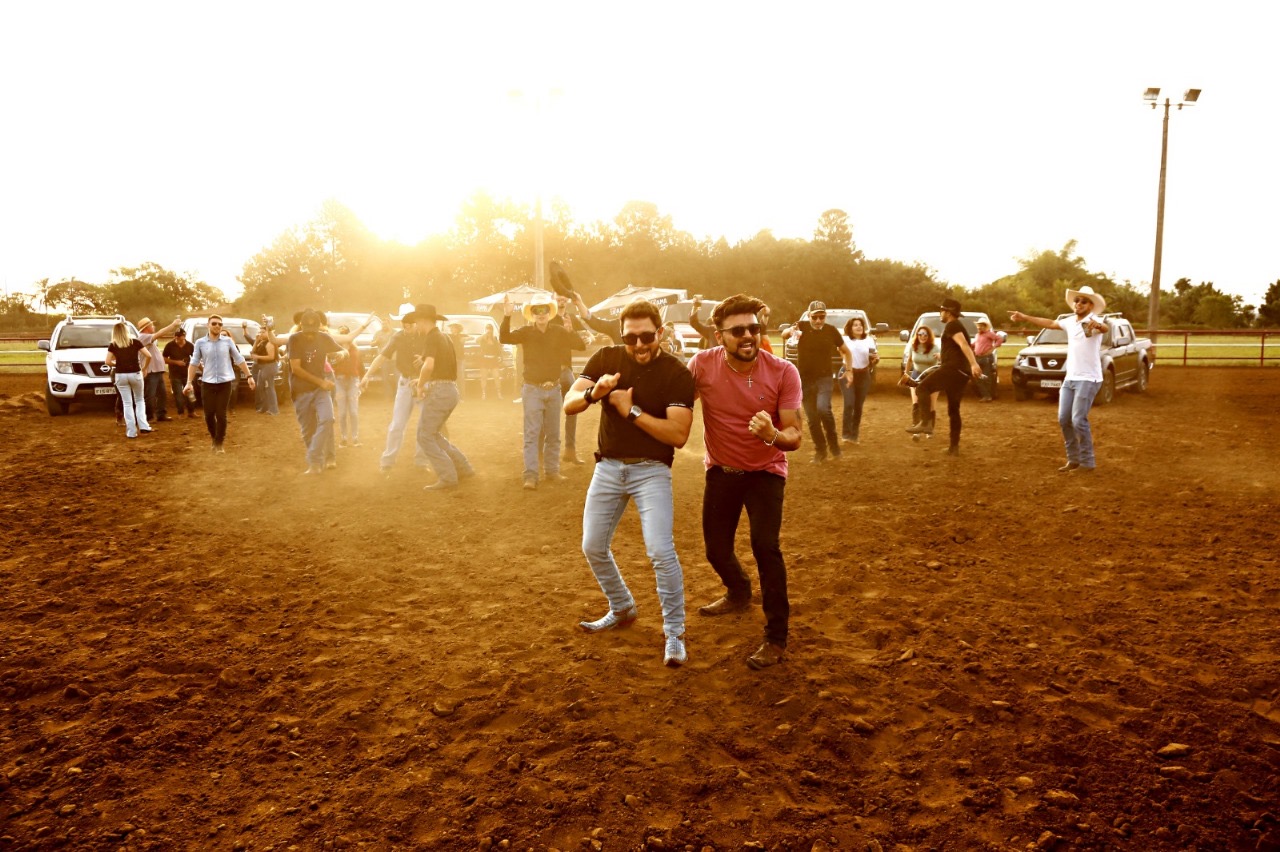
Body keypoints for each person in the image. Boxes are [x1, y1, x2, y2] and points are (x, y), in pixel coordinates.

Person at [563, 299, 696, 667]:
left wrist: (630, 410)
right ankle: (621, 606)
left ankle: (674, 632)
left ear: (661, 332)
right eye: (630, 338)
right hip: (608, 467)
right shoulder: (606, 358)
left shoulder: (676, 373)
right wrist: (594, 393)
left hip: (651, 470)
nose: (639, 345)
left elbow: (678, 434)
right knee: (593, 545)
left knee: (660, 551)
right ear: (621, 335)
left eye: (647, 337)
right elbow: (569, 402)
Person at [687, 294, 804, 670]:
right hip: (722, 470)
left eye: (753, 328)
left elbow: (795, 435)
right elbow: (673, 401)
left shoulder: (783, 371)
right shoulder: (702, 365)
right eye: (737, 331)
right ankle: (738, 591)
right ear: (719, 336)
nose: (748, 336)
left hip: (766, 471)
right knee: (716, 550)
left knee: (765, 547)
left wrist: (772, 435)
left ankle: (776, 637)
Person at [1009, 285, 1109, 473]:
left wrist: (1098, 326)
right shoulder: (1070, 321)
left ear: (1091, 305)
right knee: (1064, 419)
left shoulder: (1094, 320)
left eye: (1084, 301)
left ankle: (1087, 462)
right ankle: (1073, 459)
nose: (1079, 303)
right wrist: (1024, 317)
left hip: (1088, 378)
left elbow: (1104, 328)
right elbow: (1049, 323)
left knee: (1078, 420)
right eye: (1077, 300)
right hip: (1070, 378)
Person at [500, 292, 586, 490]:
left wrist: (571, 331)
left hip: (554, 389)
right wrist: (507, 315)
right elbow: (504, 338)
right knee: (532, 433)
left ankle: (552, 471)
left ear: (549, 312)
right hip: (532, 389)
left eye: (544, 309)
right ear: (532, 313)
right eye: (537, 310)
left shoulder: (559, 331)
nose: (541, 313)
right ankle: (530, 475)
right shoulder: (525, 332)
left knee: (553, 434)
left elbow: (580, 346)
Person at [904, 299, 984, 455]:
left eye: (941, 310)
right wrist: (945, 357)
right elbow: (958, 348)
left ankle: (925, 422)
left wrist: (974, 363)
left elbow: (963, 345)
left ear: (948, 312)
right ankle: (954, 447)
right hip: (961, 372)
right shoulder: (957, 326)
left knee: (922, 388)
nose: (940, 313)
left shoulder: (952, 325)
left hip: (952, 369)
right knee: (954, 410)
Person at [362, 307, 432, 474]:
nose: (406, 329)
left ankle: (421, 461)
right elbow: (382, 356)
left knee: (425, 425)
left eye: (410, 326)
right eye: (404, 326)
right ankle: (387, 461)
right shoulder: (398, 336)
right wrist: (367, 375)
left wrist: (425, 361)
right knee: (397, 425)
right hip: (406, 382)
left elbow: (437, 359)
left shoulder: (428, 337)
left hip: (423, 382)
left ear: (417, 324)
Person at [414, 306, 475, 492]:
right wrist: (425, 380)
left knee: (424, 436)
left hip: (440, 392)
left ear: (423, 320)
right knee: (433, 434)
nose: (416, 325)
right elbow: (442, 368)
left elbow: (429, 366)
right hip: (450, 390)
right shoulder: (445, 337)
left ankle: (448, 476)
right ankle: (463, 468)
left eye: (416, 322)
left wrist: (420, 385)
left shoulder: (432, 337)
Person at [783, 301, 852, 464]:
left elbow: (846, 351)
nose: (818, 320)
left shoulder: (831, 330)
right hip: (805, 380)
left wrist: (849, 370)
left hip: (824, 378)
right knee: (812, 419)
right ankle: (820, 451)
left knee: (823, 409)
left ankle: (834, 446)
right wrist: (790, 330)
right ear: (809, 316)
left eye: (822, 317)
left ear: (825, 316)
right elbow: (784, 335)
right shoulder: (801, 327)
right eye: (815, 317)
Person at [185, 315, 254, 453]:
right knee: (209, 415)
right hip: (207, 383)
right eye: (214, 323)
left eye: (220, 324)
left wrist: (249, 376)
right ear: (208, 325)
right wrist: (188, 382)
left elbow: (239, 359)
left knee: (221, 414)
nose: (217, 326)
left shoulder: (228, 341)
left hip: (225, 383)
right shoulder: (200, 343)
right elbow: (194, 362)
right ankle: (214, 438)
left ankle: (219, 443)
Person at [287, 309, 343, 475]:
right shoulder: (294, 339)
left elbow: (341, 349)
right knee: (308, 430)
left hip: (320, 390)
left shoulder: (324, 338)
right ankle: (315, 464)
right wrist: (321, 382)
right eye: (307, 331)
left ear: (319, 327)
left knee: (328, 419)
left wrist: (341, 354)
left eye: (313, 331)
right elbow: (296, 369)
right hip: (301, 391)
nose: (310, 335)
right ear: (301, 326)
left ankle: (316, 455)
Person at [105, 321, 151, 439]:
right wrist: (144, 368)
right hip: (135, 373)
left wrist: (117, 364)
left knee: (127, 403)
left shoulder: (113, 345)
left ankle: (131, 431)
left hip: (121, 375)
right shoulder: (135, 342)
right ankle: (144, 425)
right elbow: (148, 355)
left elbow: (107, 361)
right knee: (139, 400)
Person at [136, 316, 182, 423]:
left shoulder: (147, 337)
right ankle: (149, 417)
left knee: (161, 394)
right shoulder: (143, 337)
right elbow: (160, 333)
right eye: (151, 325)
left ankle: (161, 414)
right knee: (150, 395)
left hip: (156, 370)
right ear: (147, 327)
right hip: (151, 371)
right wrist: (173, 325)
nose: (153, 327)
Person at [839, 316, 879, 444]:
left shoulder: (869, 340)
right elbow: (840, 351)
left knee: (858, 406)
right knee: (849, 403)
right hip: (847, 373)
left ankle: (854, 435)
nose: (859, 327)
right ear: (850, 328)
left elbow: (873, 358)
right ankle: (846, 433)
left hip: (863, 375)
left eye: (860, 325)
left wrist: (875, 359)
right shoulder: (845, 339)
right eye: (855, 325)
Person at [903, 326, 941, 440]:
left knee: (931, 404)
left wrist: (940, 357)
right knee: (916, 403)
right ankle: (917, 429)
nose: (922, 336)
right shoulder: (913, 346)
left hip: (931, 378)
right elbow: (909, 360)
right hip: (916, 376)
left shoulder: (934, 348)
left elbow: (942, 361)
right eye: (920, 334)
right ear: (917, 335)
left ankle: (929, 429)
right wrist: (906, 374)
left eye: (925, 334)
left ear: (929, 336)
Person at [332, 325, 362, 444]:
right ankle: (344, 437)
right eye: (341, 334)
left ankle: (355, 437)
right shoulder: (334, 349)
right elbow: (330, 365)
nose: (343, 336)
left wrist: (363, 379)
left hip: (353, 380)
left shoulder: (354, 349)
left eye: (345, 334)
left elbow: (360, 365)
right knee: (342, 412)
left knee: (353, 412)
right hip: (339, 380)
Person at [162, 327, 196, 418]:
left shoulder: (190, 345)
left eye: (180, 336)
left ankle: (191, 411)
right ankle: (180, 412)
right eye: (176, 336)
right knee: (178, 394)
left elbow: (195, 358)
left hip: (187, 373)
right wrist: (176, 362)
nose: (177, 338)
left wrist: (202, 369)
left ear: (184, 336)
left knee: (190, 393)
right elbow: (164, 358)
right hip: (175, 374)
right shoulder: (170, 345)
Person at [250, 325, 279, 415]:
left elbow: (271, 357)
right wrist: (256, 341)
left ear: (268, 333)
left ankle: (274, 409)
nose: (261, 334)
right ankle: (265, 407)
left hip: (269, 366)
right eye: (260, 332)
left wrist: (258, 357)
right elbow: (253, 352)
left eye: (263, 332)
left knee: (269, 387)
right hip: (263, 367)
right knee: (260, 387)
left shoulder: (270, 343)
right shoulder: (261, 342)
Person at [972, 319, 1004, 402]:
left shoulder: (989, 334)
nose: (979, 327)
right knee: (979, 377)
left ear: (985, 326)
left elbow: (999, 339)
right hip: (978, 357)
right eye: (979, 325)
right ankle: (987, 395)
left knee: (986, 377)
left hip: (986, 358)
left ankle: (987, 396)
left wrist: (993, 348)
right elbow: (975, 344)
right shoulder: (977, 335)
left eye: (981, 325)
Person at [477, 325, 504, 399]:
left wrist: (500, 356)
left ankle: (499, 393)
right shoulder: (482, 339)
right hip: (484, 360)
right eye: (487, 329)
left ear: (492, 330)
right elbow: (476, 340)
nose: (489, 331)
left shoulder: (495, 338)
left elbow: (498, 349)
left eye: (490, 329)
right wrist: (485, 335)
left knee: (497, 376)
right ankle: (483, 393)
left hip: (493, 360)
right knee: (483, 377)